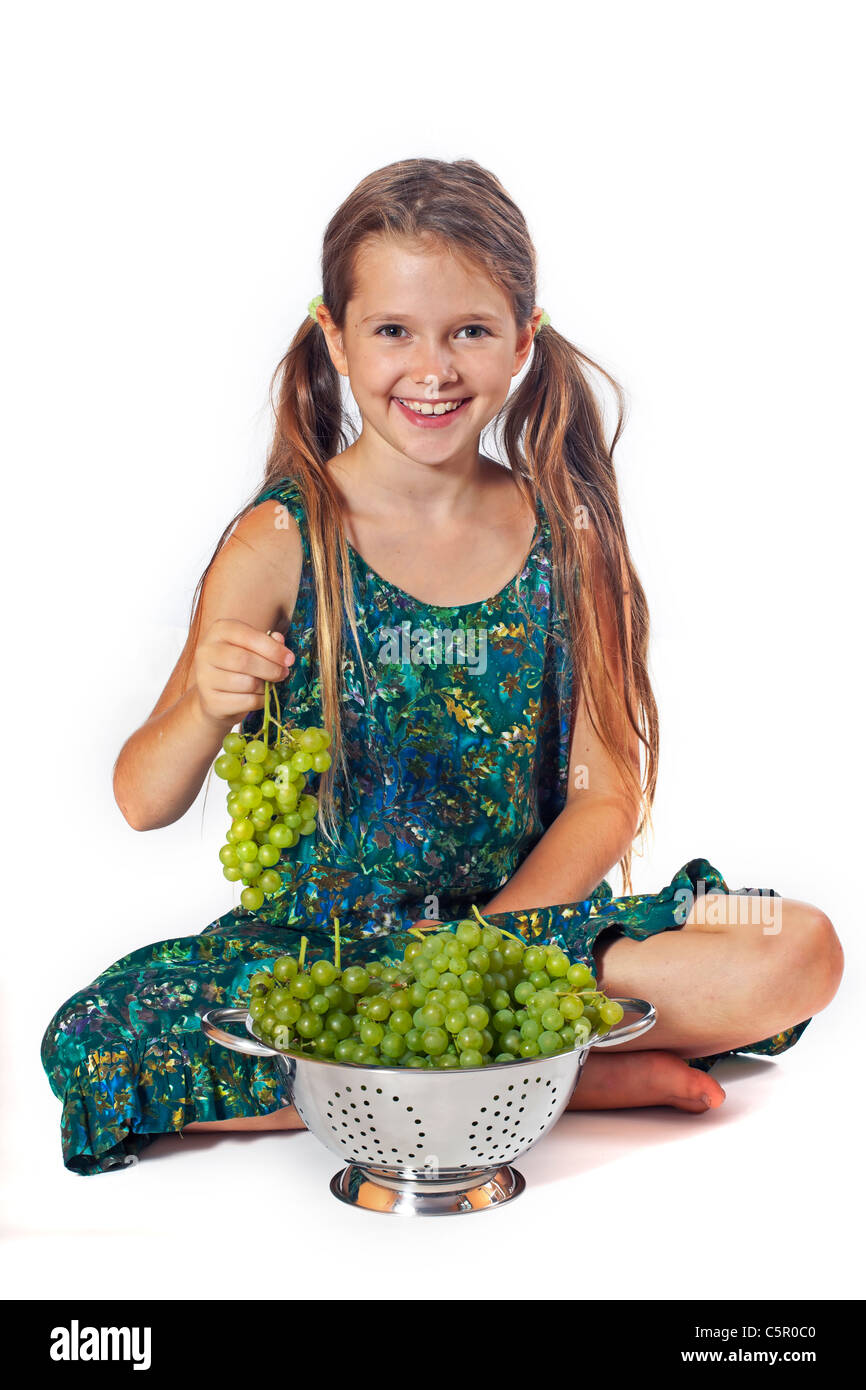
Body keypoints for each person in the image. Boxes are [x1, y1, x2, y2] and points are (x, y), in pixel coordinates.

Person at [41, 157, 843, 1175]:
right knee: (93, 1033)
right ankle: (559, 1069)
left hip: (533, 935)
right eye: (392, 331)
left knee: (792, 938)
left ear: (521, 339)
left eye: (467, 329)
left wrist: (477, 953)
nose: (432, 367)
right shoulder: (280, 540)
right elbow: (140, 798)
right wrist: (202, 705)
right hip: (326, 951)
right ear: (333, 337)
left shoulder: (571, 540)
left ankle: (411, 1072)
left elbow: (604, 796)